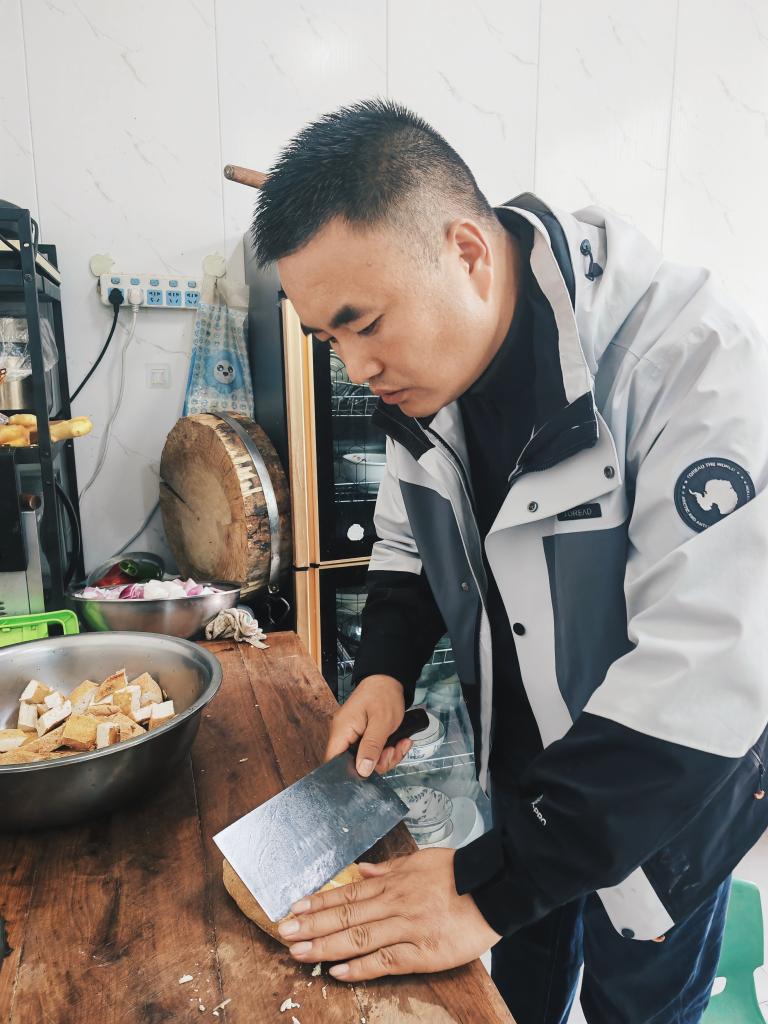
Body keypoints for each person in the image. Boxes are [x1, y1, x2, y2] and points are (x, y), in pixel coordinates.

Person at [250, 98, 768, 1024]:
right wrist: (382, 671)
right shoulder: (427, 378)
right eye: (329, 340)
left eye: (365, 323)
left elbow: (707, 676)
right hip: (523, 775)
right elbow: (407, 536)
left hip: (659, 793)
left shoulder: (689, 365)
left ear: (467, 253)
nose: (355, 368)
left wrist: (483, 889)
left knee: (640, 999)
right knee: (519, 985)